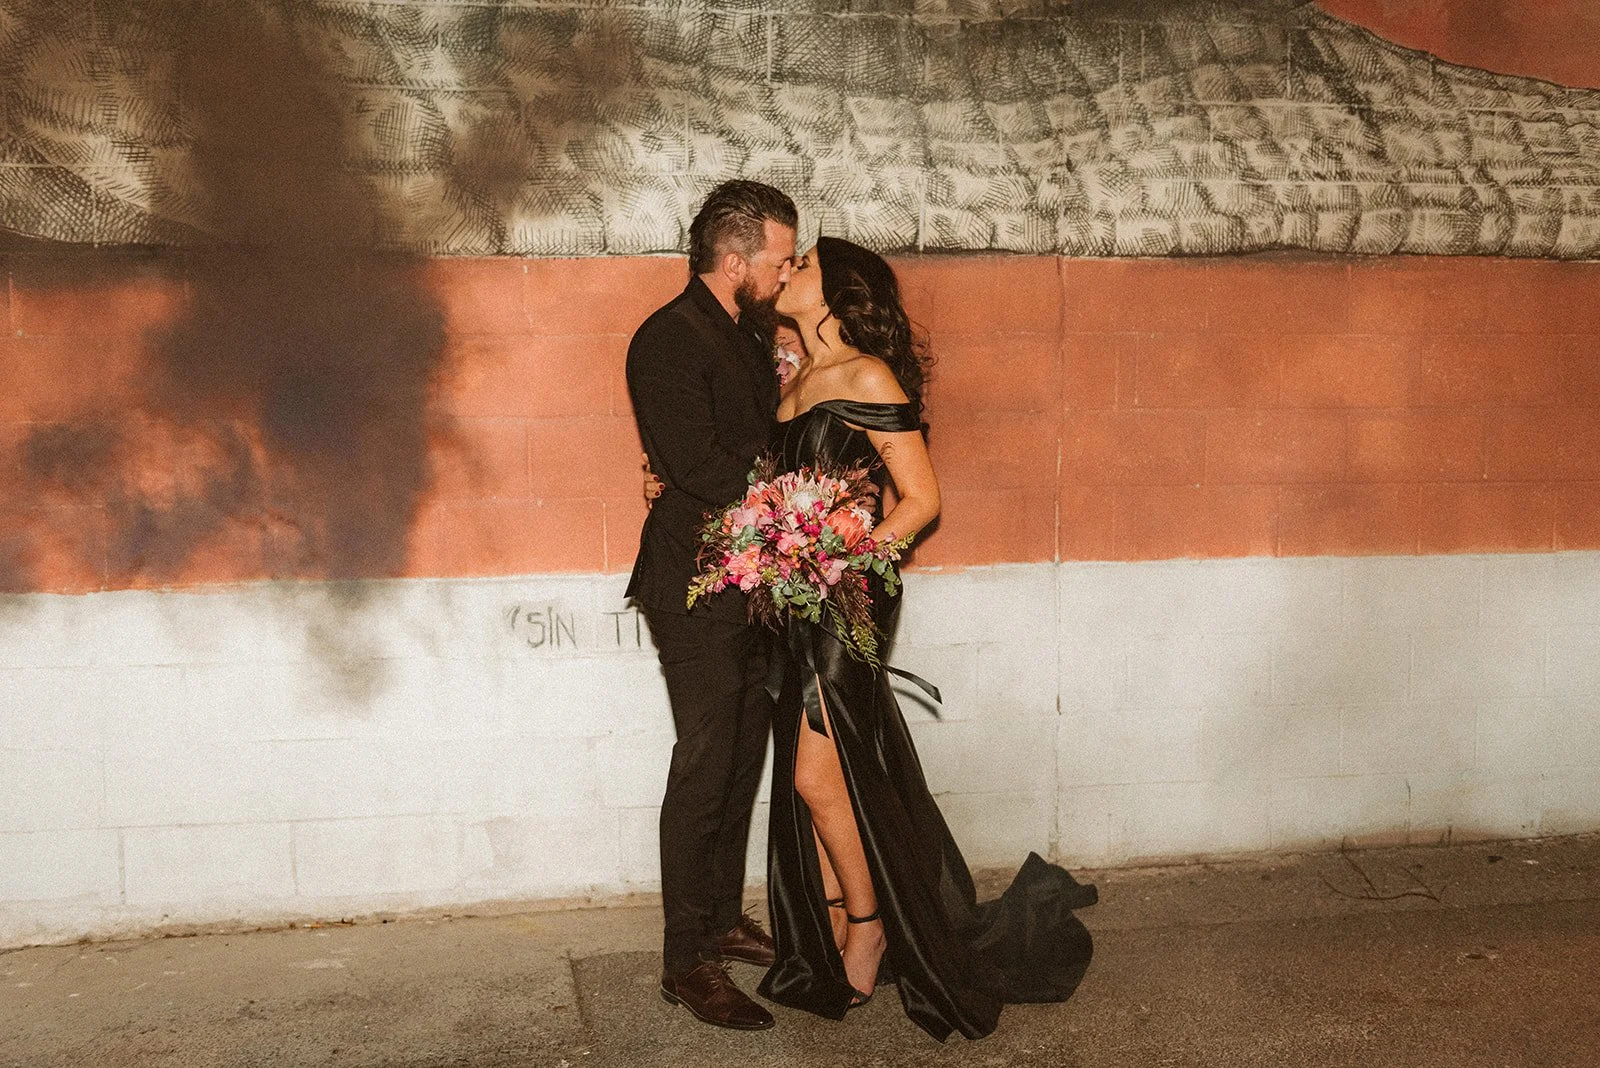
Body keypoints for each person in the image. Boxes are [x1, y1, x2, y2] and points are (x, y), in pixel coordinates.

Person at [755, 237, 1097, 1042]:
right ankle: (837, 915)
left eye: (804, 263)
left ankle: (869, 924)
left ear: (839, 293)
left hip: (849, 593)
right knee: (824, 772)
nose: (789, 269)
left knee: (813, 772)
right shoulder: (795, 380)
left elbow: (920, 499)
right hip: (797, 594)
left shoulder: (867, 376)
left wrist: (843, 560)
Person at [624, 180, 798, 1031]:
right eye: (779, 260)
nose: (787, 272)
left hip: (752, 577)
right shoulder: (667, 339)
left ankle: (722, 919)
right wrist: (801, 501)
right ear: (734, 262)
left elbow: (757, 439)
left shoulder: (745, 333)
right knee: (704, 763)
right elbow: (697, 463)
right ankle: (685, 961)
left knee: (741, 755)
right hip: (692, 583)